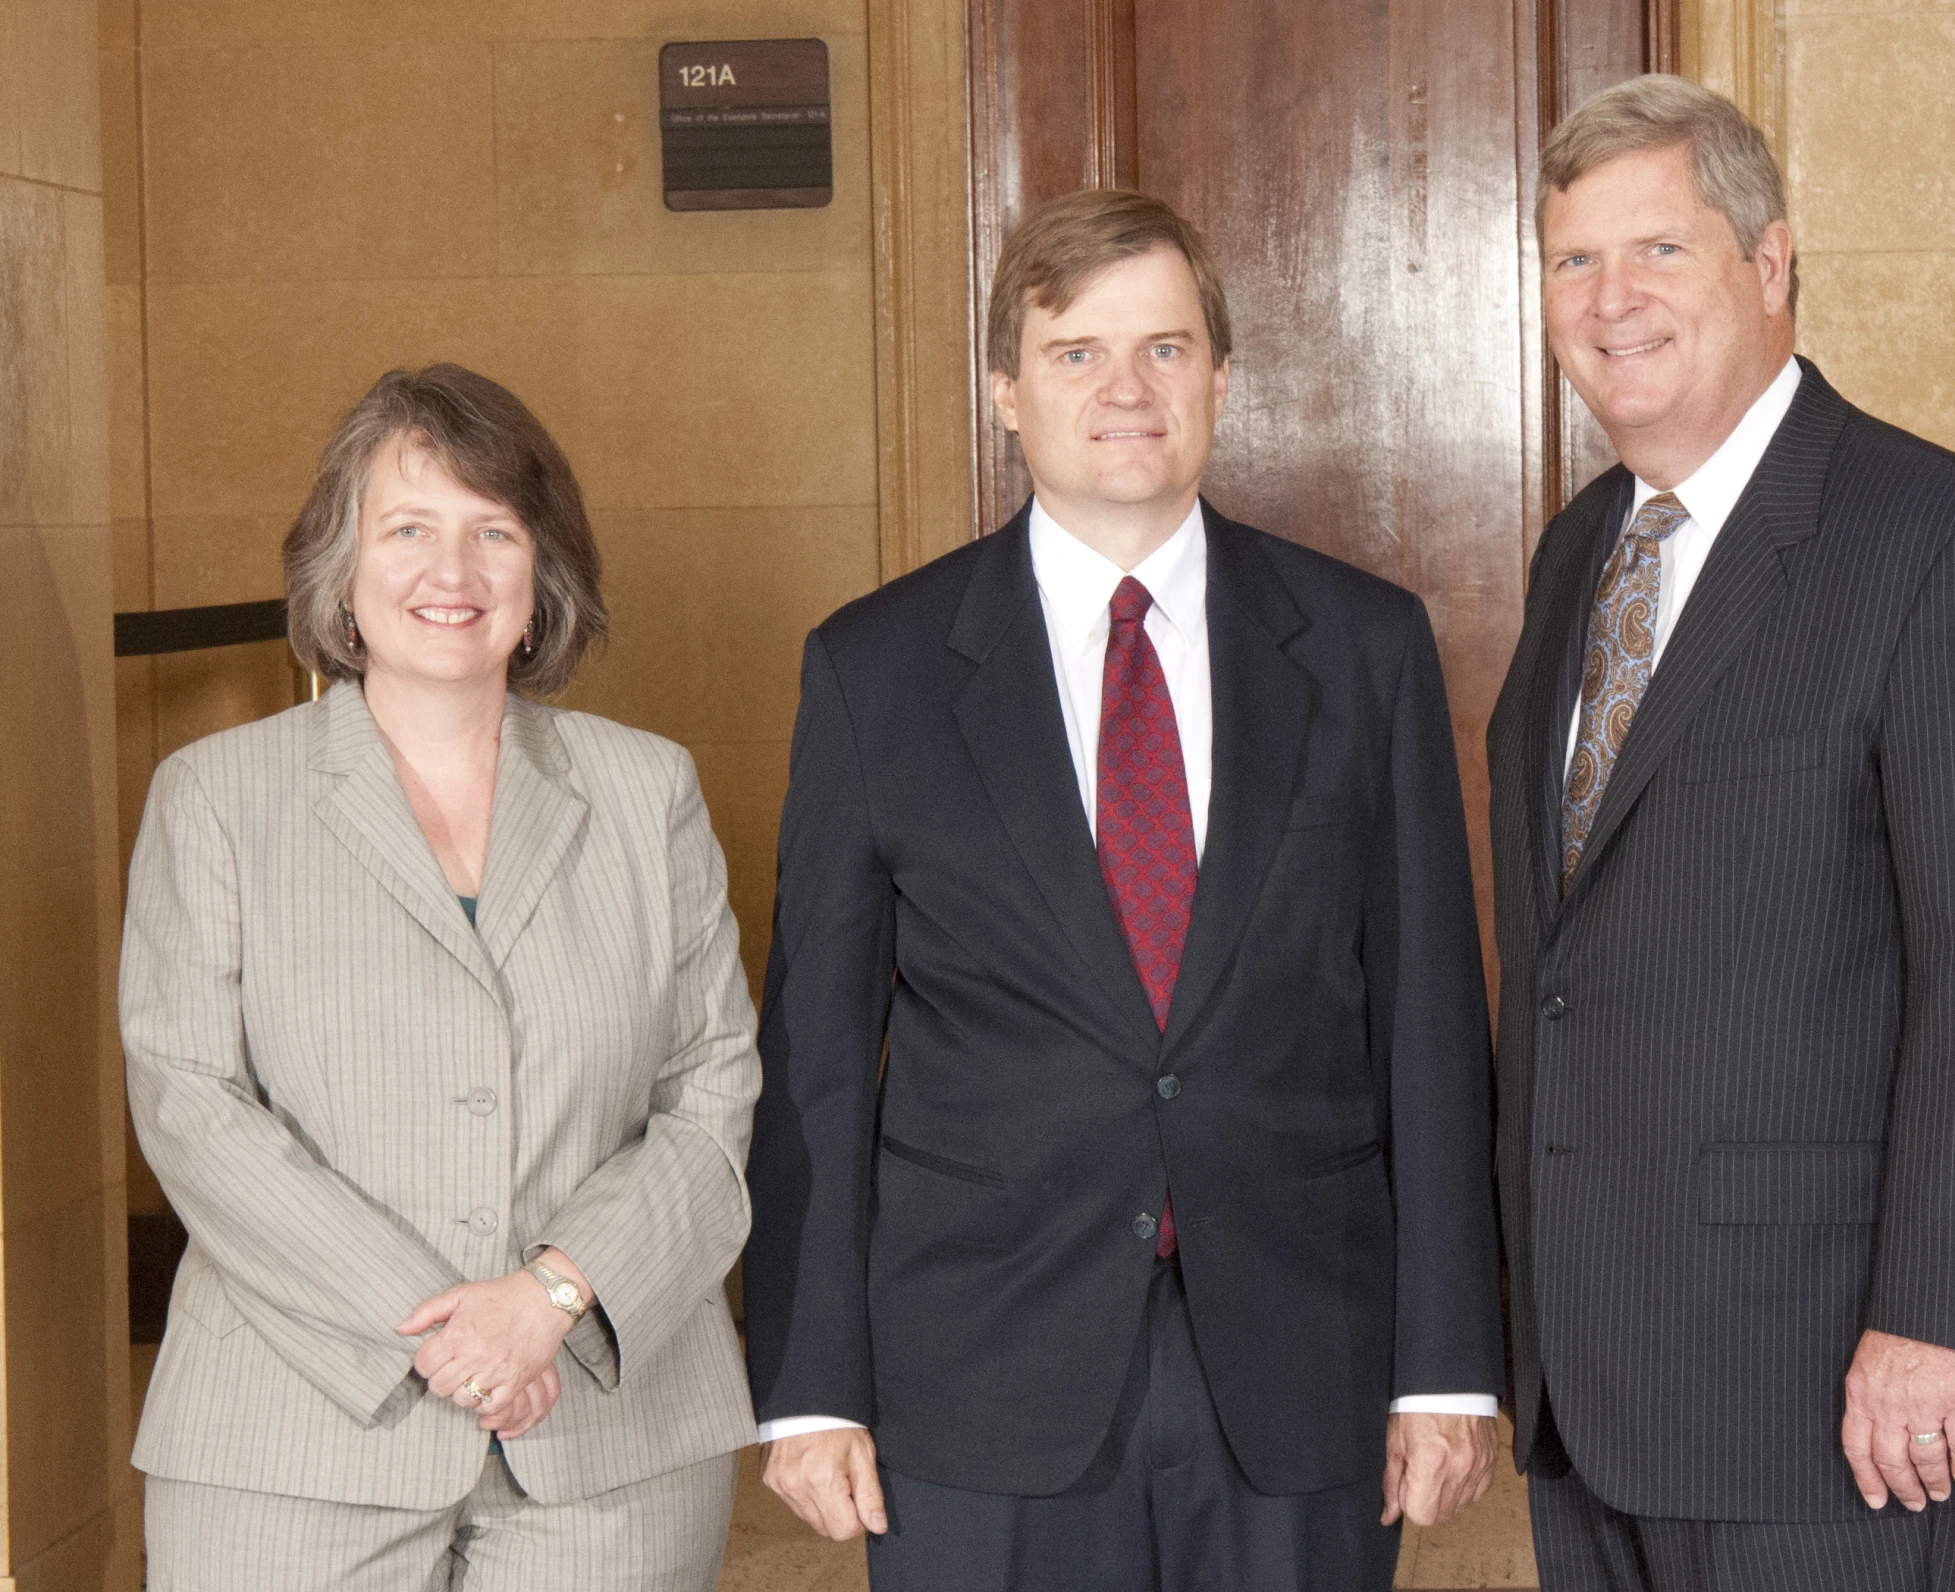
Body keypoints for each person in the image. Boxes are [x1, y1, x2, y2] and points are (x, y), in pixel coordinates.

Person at [743, 187, 1503, 1590]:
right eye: (1077, 353)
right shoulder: (876, 668)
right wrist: (810, 1384)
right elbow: (821, 1060)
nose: (1127, 389)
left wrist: (1448, 1366)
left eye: (1164, 348)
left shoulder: (1363, 646)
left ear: (1220, 375)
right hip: (975, 1375)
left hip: (1302, 1358)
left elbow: (1432, 1030)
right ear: (1006, 395)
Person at [1487, 75, 1955, 1590]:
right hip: (1595, 1384)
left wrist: (1937, 1320)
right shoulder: (1584, 550)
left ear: (1770, 265)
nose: (1609, 301)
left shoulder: (1944, 548)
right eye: (1573, 262)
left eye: (1659, 252)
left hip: (1836, 1399)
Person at [121, 364, 761, 1590]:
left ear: (542, 577)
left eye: (493, 533)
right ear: (342, 575)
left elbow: (714, 1091)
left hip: (602, 1435)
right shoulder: (216, 795)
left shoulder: (647, 791)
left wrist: (552, 1299)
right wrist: (452, 1327)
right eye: (407, 530)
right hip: (289, 1435)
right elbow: (194, 1109)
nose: (450, 574)